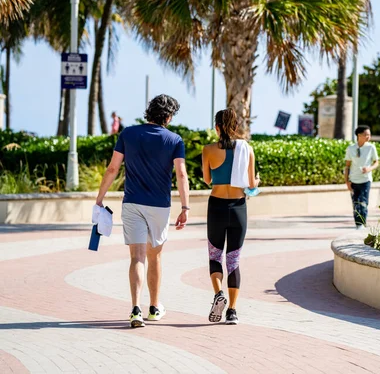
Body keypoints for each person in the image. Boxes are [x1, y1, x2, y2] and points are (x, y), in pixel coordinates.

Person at [95, 94, 190, 328]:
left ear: (149, 112)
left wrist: (100, 198)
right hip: (159, 205)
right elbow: (181, 174)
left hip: (132, 203)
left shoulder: (127, 134)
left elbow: (113, 168)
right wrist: (185, 207)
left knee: (136, 257)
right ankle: (154, 307)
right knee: (154, 256)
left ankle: (135, 309)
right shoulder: (174, 139)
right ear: (168, 117)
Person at [202, 109, 259, 325]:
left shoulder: (208, 150)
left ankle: (218, 294)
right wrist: (257, 182)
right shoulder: (247, 149)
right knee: (233, 260)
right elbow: (252, 185)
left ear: (217, 127)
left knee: (215, 256)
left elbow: (207, 179)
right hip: (238, 208)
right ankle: (232, 312)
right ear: (235, 127)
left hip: (216, 206)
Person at [344, 125, 380, 230]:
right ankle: (358, 224)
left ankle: (362, 224)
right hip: (353, 180)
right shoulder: (350, 148)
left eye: (369, 134)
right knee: (356, 203)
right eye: (366, 135)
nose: (368, 137)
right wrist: (347, 181)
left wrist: (369, 169)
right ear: (359, 135)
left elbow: (376, 162)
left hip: (366, 180)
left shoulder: (371, 147)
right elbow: (347, 166)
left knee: (363, 202)